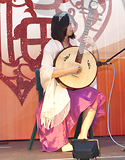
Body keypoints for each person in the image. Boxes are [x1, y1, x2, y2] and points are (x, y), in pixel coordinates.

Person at [36, 10, 106, 152]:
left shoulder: (74, 43)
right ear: (61, 26)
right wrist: (69, 70)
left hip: (75, 88)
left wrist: (93, 46)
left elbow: (92, 63)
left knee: (95, 96)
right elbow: (46, 72)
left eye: (72, 24)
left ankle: (82, 136)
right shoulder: (51, 46)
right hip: (59, 90)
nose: (72, 27)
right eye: (69, 24)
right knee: (64, 99)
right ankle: (61, 140)